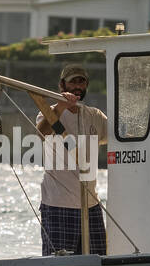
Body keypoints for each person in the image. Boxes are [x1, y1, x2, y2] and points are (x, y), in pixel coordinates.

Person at [35, 64, 108, 255]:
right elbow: (41, 132)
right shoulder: (49, 112)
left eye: (81, 82)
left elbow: (120, 137)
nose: (77, 86)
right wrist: (61, 106)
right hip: (58, 204)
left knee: (98, 260)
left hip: (90, 204)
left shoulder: (95, 115)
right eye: (73, 81)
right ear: (62, 85)